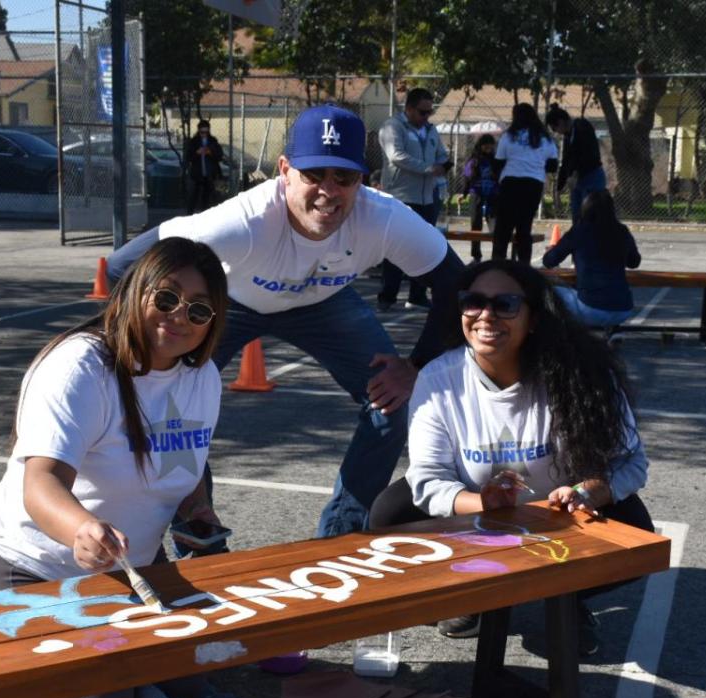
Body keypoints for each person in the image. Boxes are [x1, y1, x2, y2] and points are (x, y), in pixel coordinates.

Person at [106, 105, 465, 539]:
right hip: (231, 303)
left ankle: (341, 535)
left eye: (344, 178)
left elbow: (456, 285)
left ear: (363, 181)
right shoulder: (242, 222)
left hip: (323, 302)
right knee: (175, 412)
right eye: (313, 175)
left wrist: (415, 366)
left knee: (393, 404)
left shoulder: (385, 218)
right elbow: (123, 267)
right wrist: (162, 340)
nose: (328, 192)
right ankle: (196, 531)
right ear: (284, 171)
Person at [0, 237, 230, 698]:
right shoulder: (81, 366)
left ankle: (115, 665)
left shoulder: (203, 377)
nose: (179, 316)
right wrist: (81, 530)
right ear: (136, 290)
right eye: (168, 297)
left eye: (199, 310)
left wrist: (198, 512)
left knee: (194, 676)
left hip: (132, 568)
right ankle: (21, 681)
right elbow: (40, 484)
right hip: (34, 567)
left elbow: (184, 462)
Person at [370, 260, 650, 651]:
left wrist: (590, 492)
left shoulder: (583, 375)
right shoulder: (437, 379)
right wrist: (479, 501)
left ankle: (566, 598)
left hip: (562, 517)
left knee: (636, 533)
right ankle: (471, 592)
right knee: (389, 515)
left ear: (534, 318)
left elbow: (631, 461)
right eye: (473, 302)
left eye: (505, 304)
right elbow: (427, 478)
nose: (486, 315)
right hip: (478, 518)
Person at [377, 88, 449, 310]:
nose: (426, 117)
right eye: (422, 112)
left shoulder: (430, 130)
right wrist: (429, 168)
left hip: (427, 198)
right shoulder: (392, 127)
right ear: (408, 108)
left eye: (429, 112)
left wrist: (444, 164)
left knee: (423, 247)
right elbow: (396, 156)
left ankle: (417, 295)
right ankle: (387, 296)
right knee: (396, 249)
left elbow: (441, 153)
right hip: (401, 196)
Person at [542, 189, 642, 327]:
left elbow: (549, 261)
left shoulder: (579, 231)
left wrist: (553, 250)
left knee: (546, 289)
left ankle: (560, 335)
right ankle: (610, 332)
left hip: (590, 308)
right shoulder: (621, 230)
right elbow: (634, 262)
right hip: (623, 308)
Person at [494, 103, 559, 265]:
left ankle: (497, 265)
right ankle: (524, 267)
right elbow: (552, 166)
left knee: (503, 228)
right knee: (524, 228)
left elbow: (498, 162)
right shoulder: (544, 138)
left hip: (510, 182)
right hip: (533, 183)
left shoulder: (508, 136)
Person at [545, 104, 605, 226]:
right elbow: (567, 159)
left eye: (555, 129)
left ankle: (592, 242)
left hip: (591, 175)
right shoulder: (568, 136)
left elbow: (586, 154)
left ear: (561, 122)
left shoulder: (582, 127)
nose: (557, 133)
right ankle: (578, 240)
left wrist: (576, 174)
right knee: (577, 216)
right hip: (577, 180)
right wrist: (560, 185)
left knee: (590, 215)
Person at [461, 134, 500, 262]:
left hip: (493, 194)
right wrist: (464, 194)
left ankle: (497, 255)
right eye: (486, 144)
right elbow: (467, 178)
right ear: (480, 145)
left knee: (494, 225)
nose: (489, 147)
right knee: (475, 224)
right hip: (476, 193)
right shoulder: (474, 160)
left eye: (491, 144)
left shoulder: (496, 160)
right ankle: (476, 255)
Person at [186, 119, 224, 214]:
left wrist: (210, 152)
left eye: (206, 132)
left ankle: (205, 213)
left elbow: (219, 155)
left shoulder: (212, 141)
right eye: (202, 132)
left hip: (209, 173)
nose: (204, 134)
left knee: (207, 196)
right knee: (193, 195)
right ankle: (190, 215)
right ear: (199, 131)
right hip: (197, 173)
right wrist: (197, 153)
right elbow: (188, 156)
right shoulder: (194, 142)